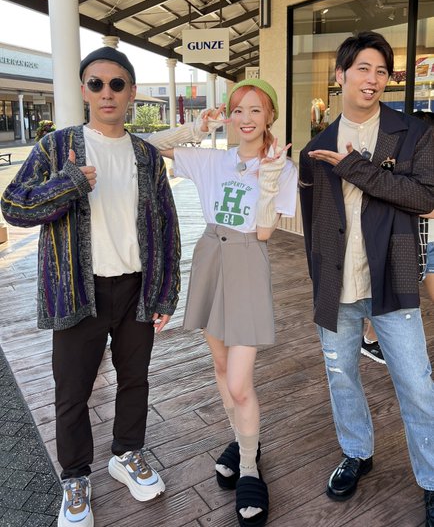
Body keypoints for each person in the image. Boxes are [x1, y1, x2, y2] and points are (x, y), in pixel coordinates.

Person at [1, 47, 181, 527]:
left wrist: (166, 291)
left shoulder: (146, 155)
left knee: (135, 379)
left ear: (131, 92)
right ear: (84, 90)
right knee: (72, 390)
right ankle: (75, 476)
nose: (107, 93)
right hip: (77, 291)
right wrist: (68, 184)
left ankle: (127, 453)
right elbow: (14, 206)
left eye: (116, 84)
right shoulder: (57, 147)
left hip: (136, 289)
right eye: (96, 84)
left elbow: (167, 225)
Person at [299, 31, 434, 525]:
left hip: (392, 278)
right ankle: (357, 451)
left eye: (381, 71)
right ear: (341, 75)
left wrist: (357, 168)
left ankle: (432, 479)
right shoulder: (316, 148)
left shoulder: (412, 132)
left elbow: (425, 198)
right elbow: (313, 223)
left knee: (416, 384)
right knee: (342, 377)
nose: (373, 79)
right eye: (363, 69)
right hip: (336, 285)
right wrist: (319, 280)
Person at [152, 78, 297, 527]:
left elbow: (266, 232)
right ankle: (242, 440)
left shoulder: (282, 165)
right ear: (229, 116)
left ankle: (250, 466)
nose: (246, 118)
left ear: (270, 115)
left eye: (256, 109)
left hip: (248, 259)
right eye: (238, 110)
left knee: (239, 383)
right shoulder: (213, 160)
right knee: (219, 366)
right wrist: (197, 128)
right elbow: (146, 144)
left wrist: (268, 178)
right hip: (211, 256)